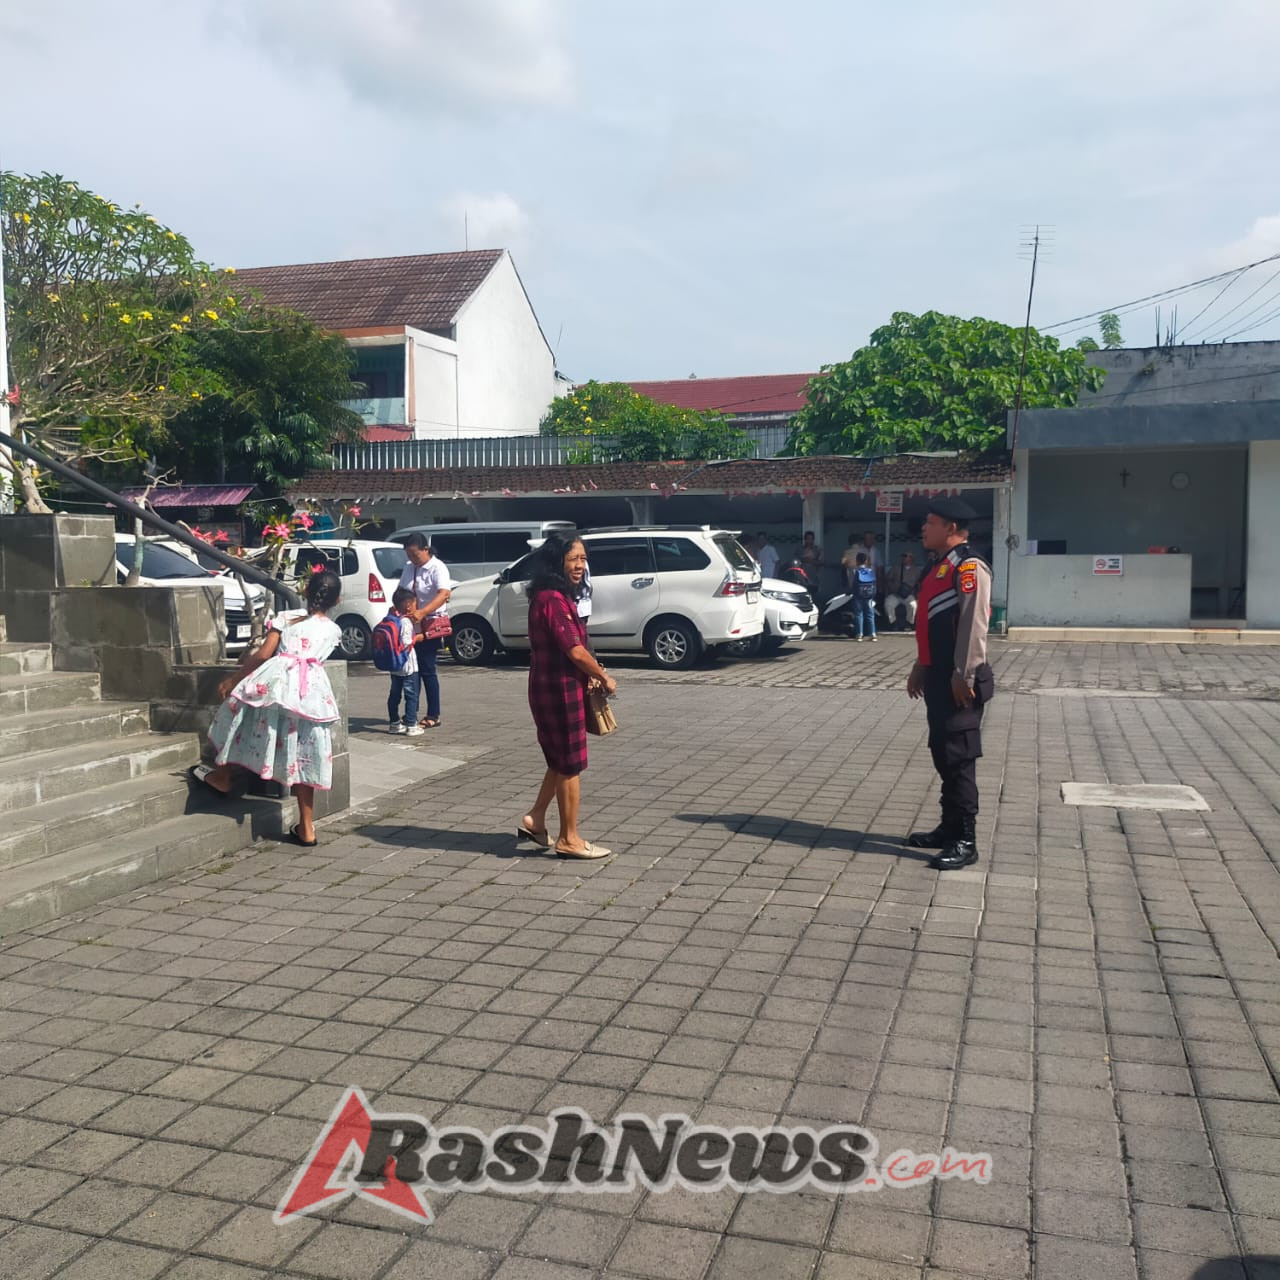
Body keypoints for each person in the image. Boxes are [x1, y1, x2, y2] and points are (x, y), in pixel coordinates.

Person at [191, 568, 343, 847]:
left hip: (276, 682)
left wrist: (234, 678)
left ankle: (222, 776)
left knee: (238, 717)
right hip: (311, 694)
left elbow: (263, 654)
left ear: (305, 592)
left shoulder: (285, 618)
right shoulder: (334, 630)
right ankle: (307, 828)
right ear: (338, 600)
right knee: (303, 754)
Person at [905, 498, 994, 871]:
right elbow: (931, 623)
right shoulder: (937, 566)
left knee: (959, 759)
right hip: (939, 674)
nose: (924, 528)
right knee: (943, 753)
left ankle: (966, 840)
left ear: (952, 528)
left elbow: (974, 626)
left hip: (961, 679)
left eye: (932, 522)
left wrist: (966, 674)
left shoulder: (969, 567)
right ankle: (949, 827)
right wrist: (920, 666)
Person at [518, 531, 617, 860]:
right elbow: (575, 651)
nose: (580, 565)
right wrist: (602, 675)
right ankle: (569, 839)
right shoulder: (553, 600)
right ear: (556, 561)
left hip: (552, 686)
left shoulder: (551, 596)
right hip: (558, 689)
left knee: (559, 760)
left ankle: (535, 819)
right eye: (574, 559)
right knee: (569, 764)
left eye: (584, 559)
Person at [398, 533, 453, 729]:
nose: (412, 559)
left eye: (415, 555)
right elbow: (402, 591)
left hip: (430, 624)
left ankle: (433, 714)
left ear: (426, 550)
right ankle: (411, 712)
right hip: (412, 624)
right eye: (409, 556)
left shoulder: (437, 567)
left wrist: (423, 612)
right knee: (412, 670)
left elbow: (444, 593)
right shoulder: (409, 568)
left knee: (427, 668)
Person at [383, 586, 424, 736]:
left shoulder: (391, 618)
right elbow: (406, 642)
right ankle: (412, 725)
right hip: (408, 665)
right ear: (408, 605)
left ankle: (394, 723)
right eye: (414, 603)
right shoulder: (406, 621)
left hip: (395, 665)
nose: (416, 606)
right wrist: (418, 637)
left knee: (394, 695)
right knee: (411, 695)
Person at [885, 551, 920, 631]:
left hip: (909, 595)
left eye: (907, 556)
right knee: (888, 604)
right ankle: (893, 623)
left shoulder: (917, 570)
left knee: (913, 605)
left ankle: (909, 623)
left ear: (911, 558)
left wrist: (916, 593)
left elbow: (919, 583)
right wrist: (892, 588)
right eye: (904, 556)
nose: (905, 558)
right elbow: (888, 579)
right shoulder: (896, 568)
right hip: (896, 594)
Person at [852, 552, 878, 642]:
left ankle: (859, 634)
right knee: (870, 615)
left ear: (857, 561)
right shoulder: (870, 571)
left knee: (859, 614)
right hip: (869, 596)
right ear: (866, 561)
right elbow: (874, 583)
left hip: (858, 596)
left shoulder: (856, 571)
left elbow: (854, 584)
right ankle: (873, 634)